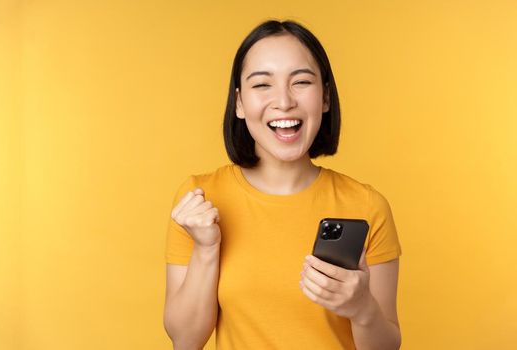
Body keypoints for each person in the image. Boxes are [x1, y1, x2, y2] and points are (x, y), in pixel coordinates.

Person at [162, 20, 402, 350]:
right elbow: (186, 341)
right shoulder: (200, 200)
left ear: (326, 98)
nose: (284, 101)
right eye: (262, 85)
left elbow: (386, 346)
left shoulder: (367, 205)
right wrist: (206, 249)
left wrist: (363, 311)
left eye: (301, 82)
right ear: (240, 104)